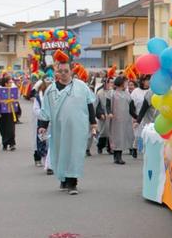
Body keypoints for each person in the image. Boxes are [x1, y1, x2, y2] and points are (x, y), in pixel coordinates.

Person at [38, 61, 97, 195]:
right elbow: (45, 110)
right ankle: (63, 179)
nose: (63, 74)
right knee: (61, 153)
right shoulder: (51, 90)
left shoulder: (81, 87)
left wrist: (93, 122)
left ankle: (72, 182)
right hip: (59, 129)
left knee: (74, 153)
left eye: (66, 71)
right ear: (56, 72)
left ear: (71, 71)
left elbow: (89, 105)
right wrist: (42, 126)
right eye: (60, 71)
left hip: (78, 128)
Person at [108, 76, 137, 165]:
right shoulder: (112, 93)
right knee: (116, 137)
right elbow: (108, 104)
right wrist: (109, 112)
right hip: (115, 119)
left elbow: (132, 108)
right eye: (125, 82)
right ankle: (117, 156)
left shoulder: (127, 94)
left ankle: (118, 156)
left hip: (125, 119)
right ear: (121, 83)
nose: (126, 84)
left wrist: (136, 117)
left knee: (122, 137)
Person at [0, 76, 21, 151]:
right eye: (10, 82)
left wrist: (18, 110)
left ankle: (12, 144)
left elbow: (15, 100)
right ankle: (5, 144)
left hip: (10, 112)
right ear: (5, 83)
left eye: (11, 82)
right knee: (3, 129)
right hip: (2, 114)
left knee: (11, 129)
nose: (11, 84)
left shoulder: (13, 90)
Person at [32, 79, 50, 168]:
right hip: (41, 122)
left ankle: (49, 163)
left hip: (52, 122)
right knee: (42, 141)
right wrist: (44, 115)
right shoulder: (38, 97)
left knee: (51, 142)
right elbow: (35, 109)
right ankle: (41, 159)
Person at [131, 76, 150, 157]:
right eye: (147, 80)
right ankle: (134, 148)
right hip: (138, 114)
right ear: (142, 81)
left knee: (147, 133)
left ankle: (146, 150)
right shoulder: (136, 91)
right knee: (137, 134)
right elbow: (131, 105)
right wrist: (134, 116)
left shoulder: (151, 91)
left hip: (149, 115)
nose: (149, 82)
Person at [95, 78, 114, 155]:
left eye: (112, 82)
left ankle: (110, 148)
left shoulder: (113, 92)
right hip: (104, 115)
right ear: (105, 83)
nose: (111, 84)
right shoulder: (99, 92)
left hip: (111, 115)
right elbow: (97, 105)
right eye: (110, 82)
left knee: (111, 132)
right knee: (103, 132)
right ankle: (100, 146)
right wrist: (100, 114)